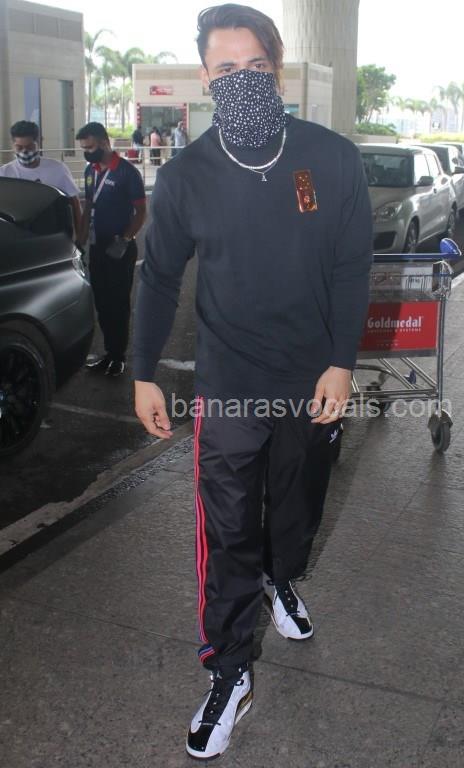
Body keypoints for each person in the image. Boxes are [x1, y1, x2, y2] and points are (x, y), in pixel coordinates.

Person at [132, 3, 372, 760]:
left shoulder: (331, 159)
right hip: (229, 383)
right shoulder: (187, 176)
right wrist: (142, 372)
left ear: (279, 71)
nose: (241, 79)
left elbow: (351, 266)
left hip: (312, 379)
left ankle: (282, 575)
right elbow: (157, 277)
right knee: (228, 525)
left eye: (256, 67)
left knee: (296, 511)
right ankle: (229, 667)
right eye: (226, 68)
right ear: (206, 77)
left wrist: (341, 361)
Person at [76, 122, 147, 376]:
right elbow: (87, 208)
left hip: (119, 248)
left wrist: (125, 239)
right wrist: (80, 241)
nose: (88, 152)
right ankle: (108, 352)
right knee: (102, 303)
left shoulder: (127, 172)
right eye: (84, 149)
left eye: (91, 147)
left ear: (105, 142)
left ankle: (118, 356)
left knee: (118, 304)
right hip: (97, 247)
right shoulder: (90, 171)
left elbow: (141, 212)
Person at [0, 120, 82, 237]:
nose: (25, 152)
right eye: (19, 147)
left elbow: (75, 202)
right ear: (13, 145)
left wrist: (80, 235)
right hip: (18, 237)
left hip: (53, 234)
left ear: (38, 142)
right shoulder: (4, 173)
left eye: (30, 147)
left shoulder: (57, 169)